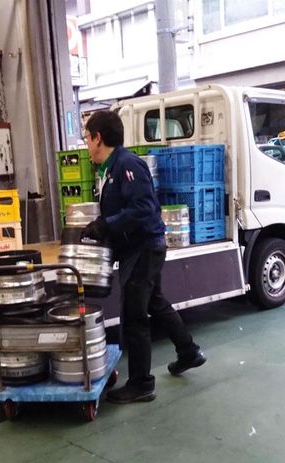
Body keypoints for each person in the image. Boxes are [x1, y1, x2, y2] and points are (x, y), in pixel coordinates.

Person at [81, 110, 206, 404]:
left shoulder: (127, 164)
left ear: (98, 138)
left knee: (134, 315)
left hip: (144, 248)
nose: (86, 144)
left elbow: (143, 208)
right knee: (154, 302)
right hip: (138, 247)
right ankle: (188, 351)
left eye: (87, 138)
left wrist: (107, 225)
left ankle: (141, 384)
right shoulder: (111, 168)